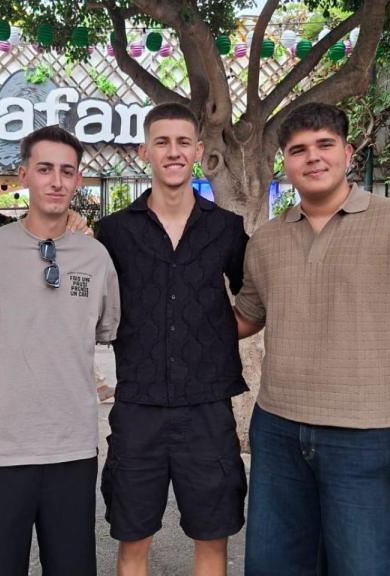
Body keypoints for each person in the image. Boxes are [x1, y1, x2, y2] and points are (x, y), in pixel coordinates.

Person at [234, 103, 390, 575]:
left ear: (348, 152)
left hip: (369, 437)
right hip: (277, 431)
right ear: (285, 161)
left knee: (368, 566)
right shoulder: (267, 239)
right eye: (298, 150)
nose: (312, 158)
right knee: (275, 565)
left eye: (324, 145)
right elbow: (245, 317)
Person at [0, 125, 120, 576]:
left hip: (71, 445)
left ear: (79, 180)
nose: (56, 180)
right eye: (45, 169)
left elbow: (106, 328)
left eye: (67, 171)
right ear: (24, 174)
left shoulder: (96, 258)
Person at [97, 102, 249, 576]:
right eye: (162, 142)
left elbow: (257, 299)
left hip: (207, 406)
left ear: (199, 151)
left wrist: (219, 333)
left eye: (183, 142)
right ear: (145, 150)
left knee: (211, 536)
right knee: (132, 537)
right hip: (138, 406)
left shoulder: (225, 228)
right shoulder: (114, 232)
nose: (173, 151)